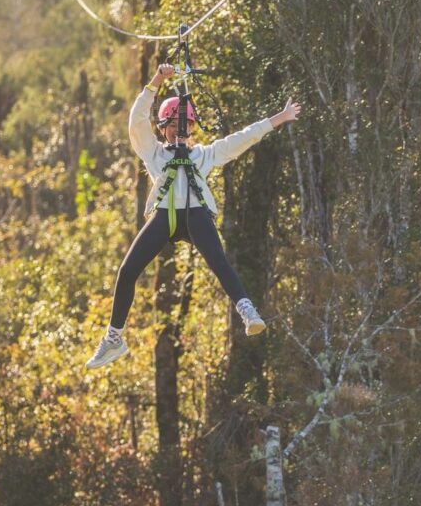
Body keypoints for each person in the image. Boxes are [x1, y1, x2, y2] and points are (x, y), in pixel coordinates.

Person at [86, 64, 300, 369]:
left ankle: (246, 310)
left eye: (184, 125)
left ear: (192, 128)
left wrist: (279, 118)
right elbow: (136, 122)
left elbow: (242, 139)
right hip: (165, 216)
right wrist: (157, 81)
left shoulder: (204, 155)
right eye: (172, 126)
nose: (178, 131)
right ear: (163, 128)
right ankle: (113, 338)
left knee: (219, 261)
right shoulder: (155, 153)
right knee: (128, 269)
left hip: (196, 215)